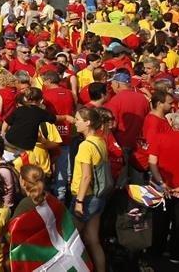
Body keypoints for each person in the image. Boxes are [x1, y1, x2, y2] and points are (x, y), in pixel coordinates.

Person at [147, 108, 179, 264]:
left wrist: (161, 183)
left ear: (173, 123)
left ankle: (157, 249)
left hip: (163, 187)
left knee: (160, 221)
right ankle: (178, 254)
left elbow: (152, 163)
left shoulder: (160, 138)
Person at [71, 107, 109, 272]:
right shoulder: (100, 141)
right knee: (93, 239)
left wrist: (79, 202)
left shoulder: (86, 146)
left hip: (85, 197)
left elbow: (86, 177)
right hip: (99, 196)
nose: (75, 122)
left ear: (87, 123)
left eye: (78, 119)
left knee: (71, 240)